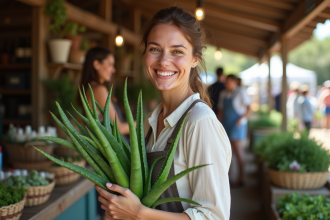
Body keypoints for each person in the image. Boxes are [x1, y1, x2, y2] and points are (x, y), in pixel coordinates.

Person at [95, 7, 231, 220]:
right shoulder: (150, 123)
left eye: (177, 51)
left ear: (195, 59)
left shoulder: (199, 122)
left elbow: (213, 217)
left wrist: (139, 213)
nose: (164, 61)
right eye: (155, 49)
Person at [80, 47, 130, 135]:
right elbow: (119, 128)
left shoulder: (90, 89)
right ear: (96, 64)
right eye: (110, 65)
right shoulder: (99, 90)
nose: (113, 70)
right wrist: (143, 124)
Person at [217, 74, 251, 187]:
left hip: (237, 125)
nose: (226, 84)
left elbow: (249, 109)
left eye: (228, 82)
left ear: (235, 82)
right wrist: (217, 124)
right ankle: (228, 178)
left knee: (238, 151)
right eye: (225, 82)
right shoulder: (223, 94)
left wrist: (240, 119)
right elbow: (221, 111)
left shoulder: (241, 92)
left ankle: (241, 179)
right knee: (227, 152)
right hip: (226, 125)